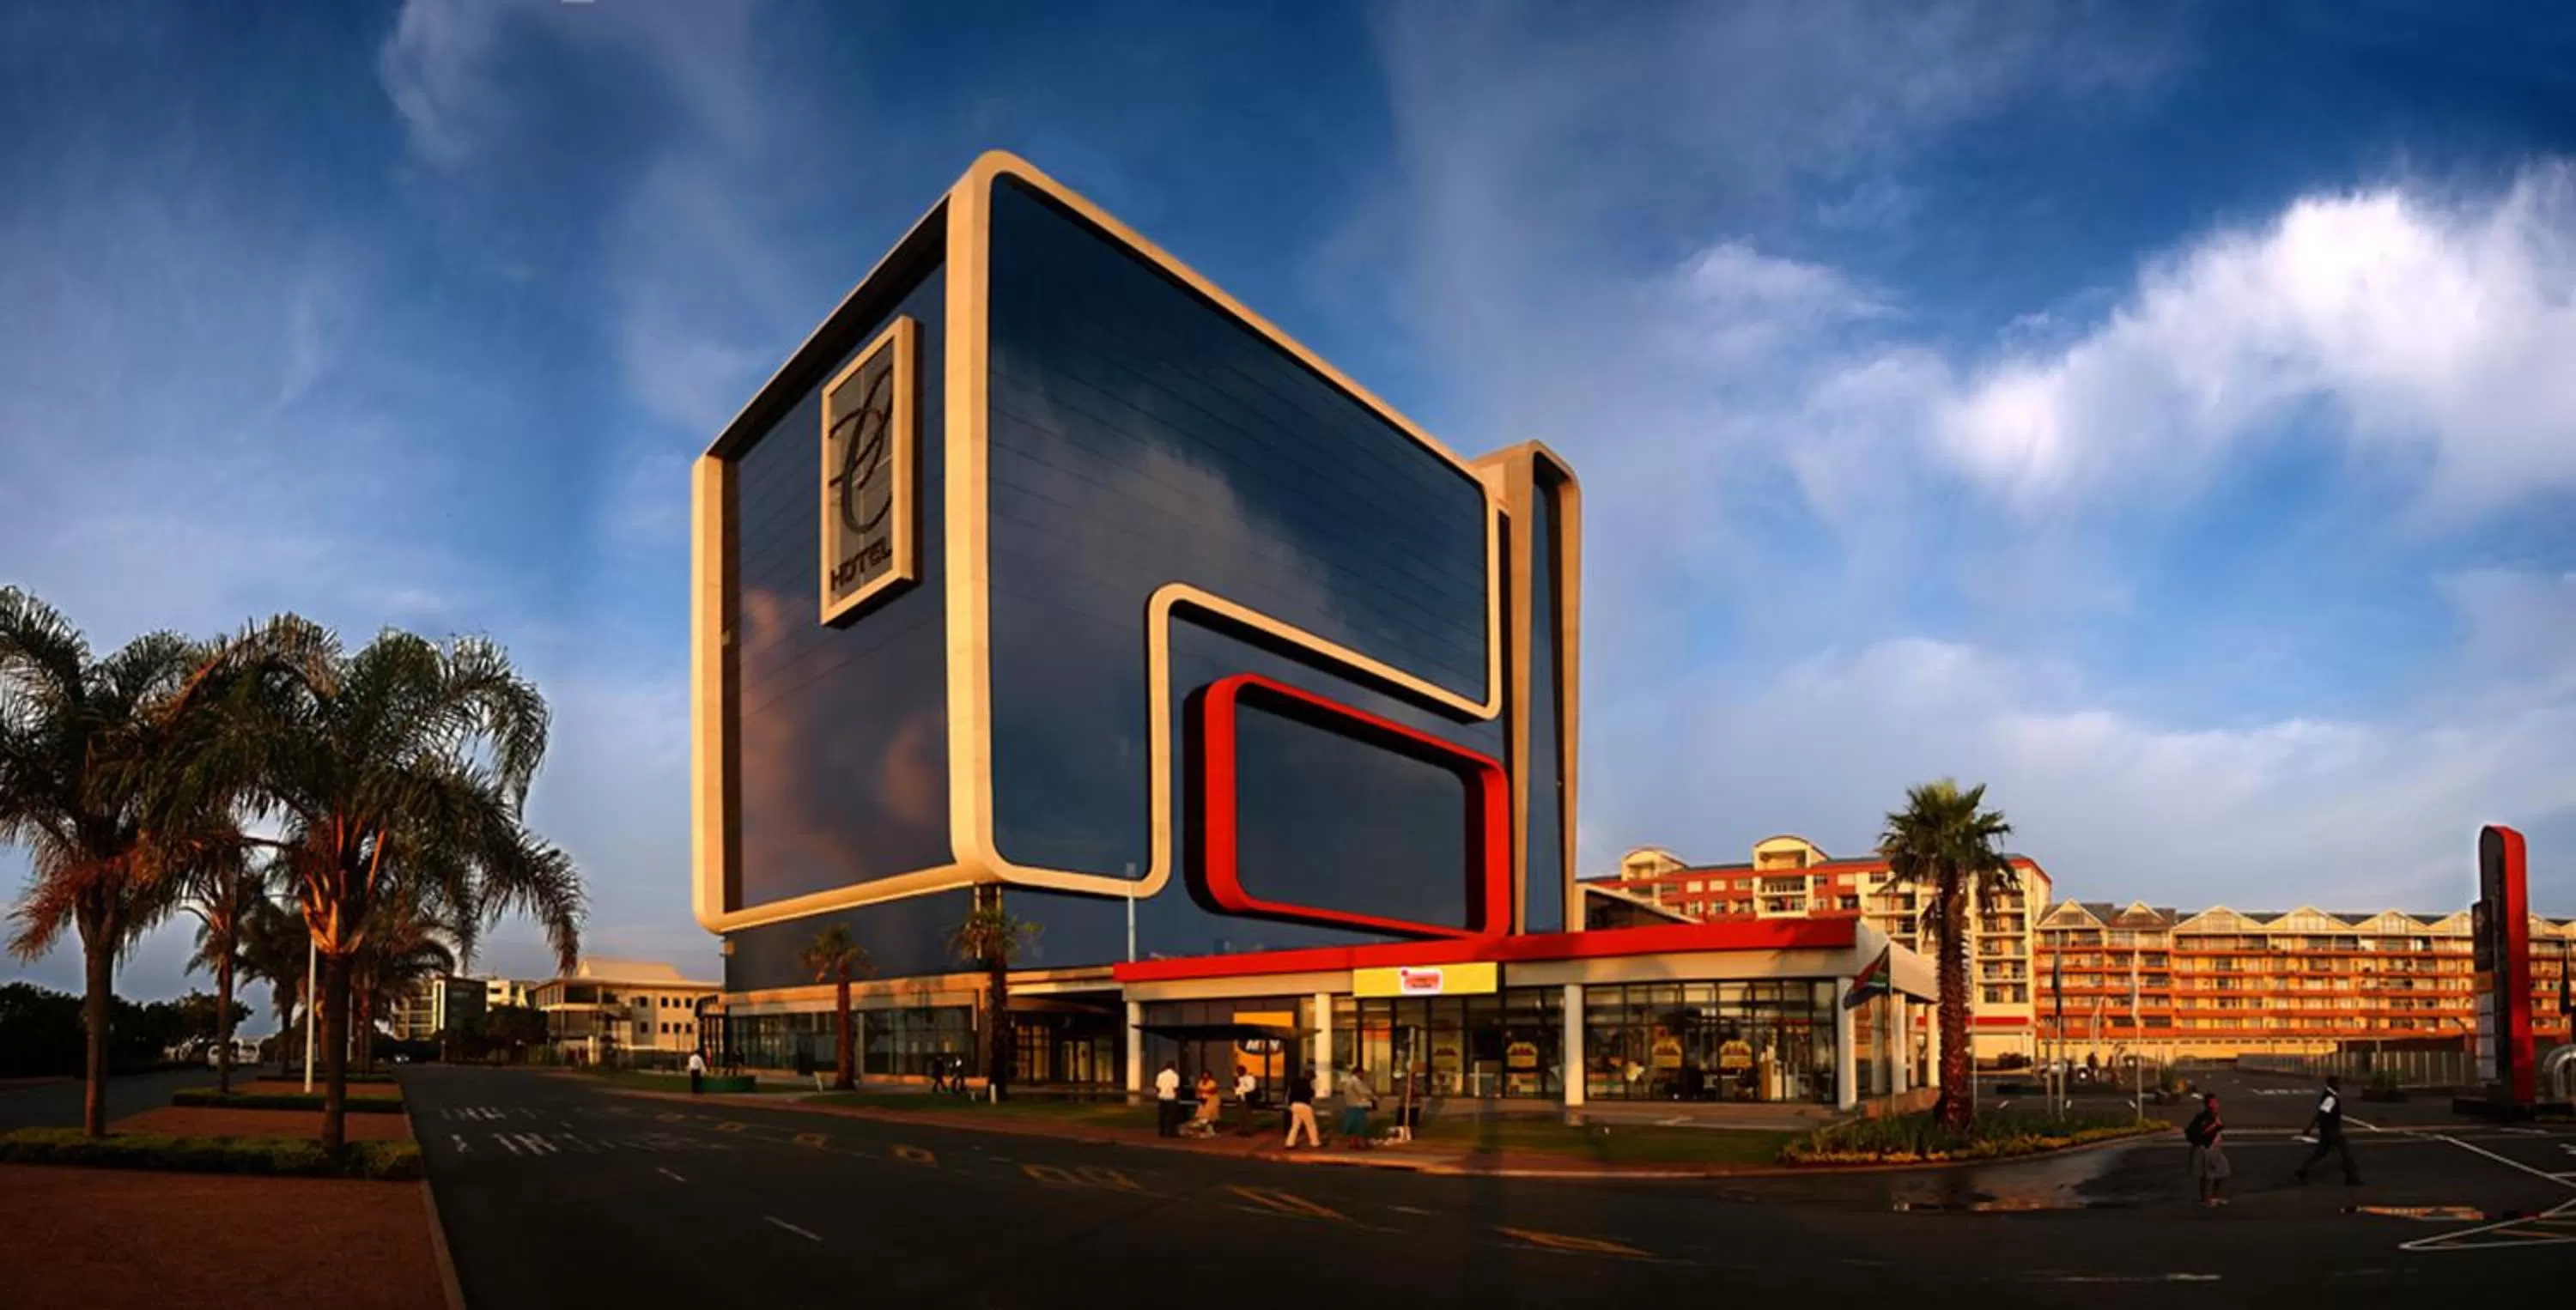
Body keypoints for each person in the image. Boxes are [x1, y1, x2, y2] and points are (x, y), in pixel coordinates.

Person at [2294, 1075, 2364, 1186]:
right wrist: (2310, 1128)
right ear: (2331, 1084)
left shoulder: (2331, 1096)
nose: (2339, 1085)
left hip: (2327, 1129)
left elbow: (2320, 1114)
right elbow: (2321, 1114)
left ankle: (2303, 1170)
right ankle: (2351, 1177)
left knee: (2321, 1152)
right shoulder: (2330, 1098)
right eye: (2337, 1083)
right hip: (2330, 1129)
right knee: (2345, 1151)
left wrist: (2310, 1128)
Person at [2184, 1093, 2228, 1206]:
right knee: (2208, 1174)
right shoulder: (2205, 1116)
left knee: (2221, 1171)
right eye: (2215, 1102)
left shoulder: (2212, 1114)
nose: (2217, 1104)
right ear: (2210, 1104)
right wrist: (2215, 1125)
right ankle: (2206, 1198)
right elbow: (2204, 1132)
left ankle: (2214, 1196)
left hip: (2215, 1148)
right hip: (2207, 1148)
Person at [1336, 1064, 1376, 1149]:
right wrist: (1373, 1096)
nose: (1364, 1076)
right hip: (1358, 1106)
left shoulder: (1349, 1081)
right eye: (1363, 1074)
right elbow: (1364, 1092)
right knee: (1360, 1127)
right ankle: (1361, 1144)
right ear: (1359, 1073)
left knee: (1352, 1127)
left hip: (1350, 1106)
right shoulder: (1356, 1082)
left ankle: (1353, 1144)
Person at [1284, 1064, 1321, 1149]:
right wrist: (1313, 1092)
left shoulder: (1295, 1082)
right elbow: (1309, 1094)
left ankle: (1289, 1143)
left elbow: (1289, 1093)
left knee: (1295, 1125)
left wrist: (1289, 1104)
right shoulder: (1307, 1084)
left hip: (1294, 1105)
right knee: (1311, 1125)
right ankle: (1315, 1143)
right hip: (1304, 1105)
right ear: (1310, 1076)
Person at [1189, 1070, 1223, 1137]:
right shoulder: (1200, 1082)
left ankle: (1211, 1130)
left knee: (1210, 1116)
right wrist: (1203, 1092)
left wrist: (1203, 1090)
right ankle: (1205, 1130)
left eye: (1206, 1074)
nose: (1205, 1076)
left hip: (1212, 1100)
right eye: (1204, 1074)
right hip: (1203, 1100)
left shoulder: (1212, 1082)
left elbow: (1212, 1091)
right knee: (1202, 1116)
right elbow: (1198, 1090)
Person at [1154, 1060, 1182, 1137]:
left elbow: (1158, 1087)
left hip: (1162, 1097)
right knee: (1171, 1116)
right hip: (1171, 1097)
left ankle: (1161, 1131)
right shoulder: (1175, 1076)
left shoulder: (1160, 1075)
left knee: (1162, 1115)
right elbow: (1175, 1088)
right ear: (1173, 1066)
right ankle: (1171, 1132)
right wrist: (1177, 1096)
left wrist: (1159, 1094)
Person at [1233, 1064, 1260, 1136]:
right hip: (1239, 1097)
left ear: (1244, 1071)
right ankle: (1241, 1129)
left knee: (1247, 1114)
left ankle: (1249, 1130)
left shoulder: (1249, 1078)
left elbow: (1251, 1088)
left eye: (1239, 1070)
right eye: (1237, 1070)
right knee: (1240, 1114)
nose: (1238, 1072)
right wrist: (1236, 1078)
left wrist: (1242, 1090)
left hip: (1246, 1097)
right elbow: (1236, 1086)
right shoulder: (1238, 1078)